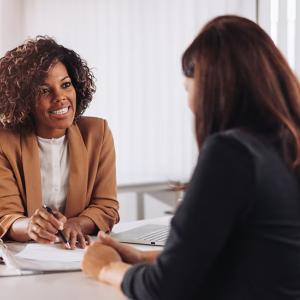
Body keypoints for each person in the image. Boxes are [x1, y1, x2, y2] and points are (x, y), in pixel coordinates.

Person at [81, 15, 300, 299]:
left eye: (188, 88)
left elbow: (165, 289)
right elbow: (247, 257)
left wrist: (106, 268)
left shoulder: (232, 153)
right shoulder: (285, 147)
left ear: (212, 87)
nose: (189, 104)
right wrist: (139, 257)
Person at [0, 36, 119, 249]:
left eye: (65, 85)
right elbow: (5, 216)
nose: (60, 97)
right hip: (23, 257)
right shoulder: (4, 141)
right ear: (23, 100)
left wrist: (76, 224)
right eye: (44, 90)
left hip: (76, 253)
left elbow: (106, 207)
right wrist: (30, 226)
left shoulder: (97, 133)